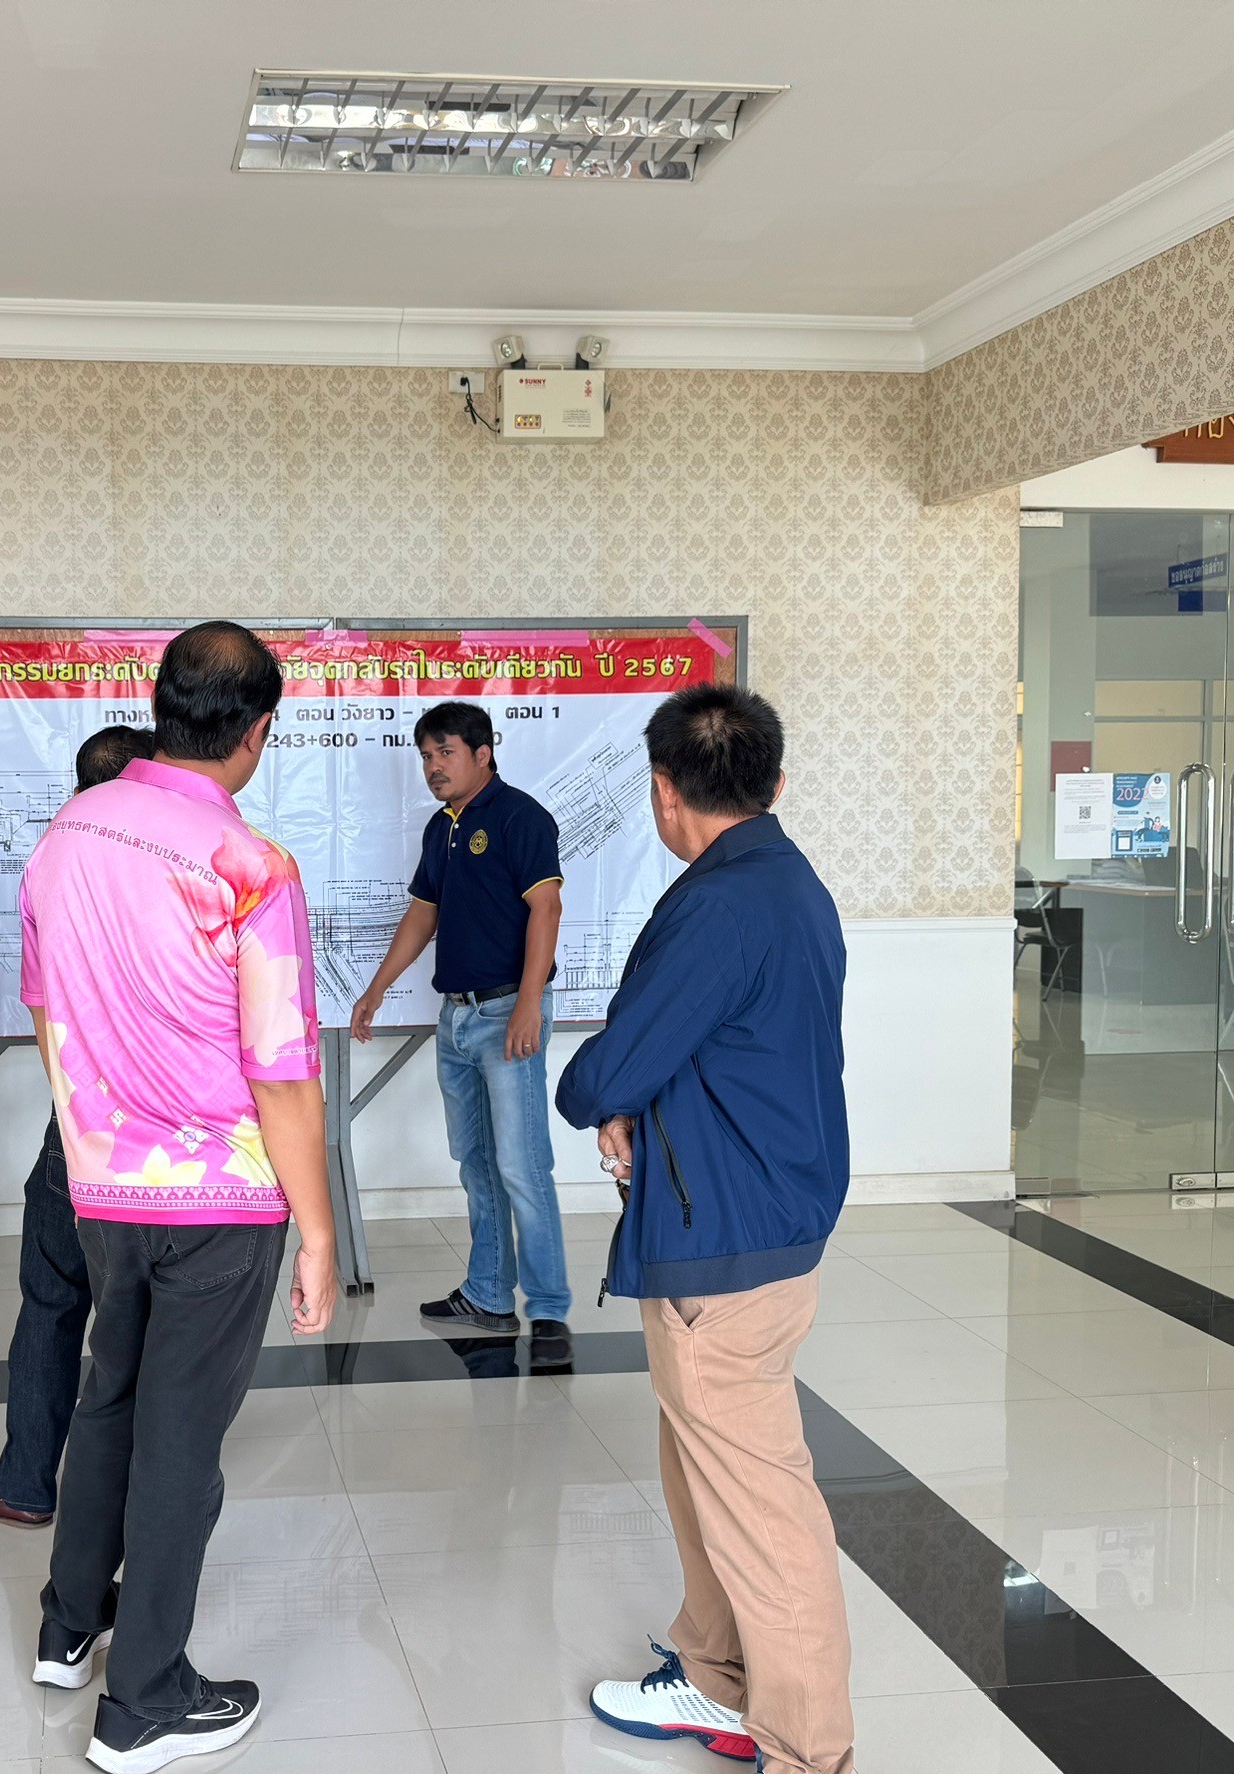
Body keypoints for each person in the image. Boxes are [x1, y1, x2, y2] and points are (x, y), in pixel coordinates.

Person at [24, 622, 334, 1774]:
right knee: (179, 1442)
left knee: (109, 1398)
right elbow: (280, 1072)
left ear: (161, 706)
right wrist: (319, 1231)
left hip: (103, 1185)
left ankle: (69, 1629)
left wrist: (90, 1149)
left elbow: (48, 1016)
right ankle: (144, 1700)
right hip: (220, 1201)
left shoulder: (65, 837)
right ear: (258, 730)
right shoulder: (252, 865)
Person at [554, 684, 853, 1774]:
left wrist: (605, 1095)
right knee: (705, 1469)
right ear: (775, 782)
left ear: (663, 791)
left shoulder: (722, 904)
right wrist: (637, 1099)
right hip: (751, 1212)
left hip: (727, 1236)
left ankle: (808, 1749)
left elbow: (610, 1068)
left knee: (763, 1506)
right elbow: (712, 1046)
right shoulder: (785, 881)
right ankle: (716, 1676)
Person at [0, 722, 157, 1529]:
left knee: (53, 1296)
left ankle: (28, 1483)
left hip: (82, 1115)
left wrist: (74, 1109)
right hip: (181, 1125)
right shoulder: (189, 856)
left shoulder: (54, 860)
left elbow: (44, 1009)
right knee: (153, 1310)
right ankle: (142, 1486)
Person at [350, 700, 571, 1363]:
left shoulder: (520, 817)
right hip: (458, 1019)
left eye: (445, 753)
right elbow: (425, 914)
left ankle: (550, 1314)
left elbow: (546, 908)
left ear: (482, 754)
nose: (433, 767)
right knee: (475, 1162)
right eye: (426, 755)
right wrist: (377, 987)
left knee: (522, 1166)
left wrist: (529, 1003)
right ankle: (489, 1296)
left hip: (508, 1014)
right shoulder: (441, 828)